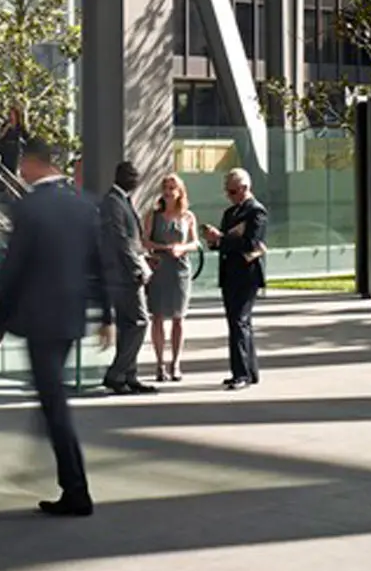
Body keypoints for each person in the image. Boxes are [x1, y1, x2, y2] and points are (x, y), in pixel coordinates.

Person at [0, 136, 107, 516]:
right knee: (51, 394)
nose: (20, 170)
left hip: (39, 318)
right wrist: (105, 315)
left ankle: (76, 489)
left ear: (32, 162)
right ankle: (50, 462)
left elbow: (14, 268)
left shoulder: (29, 208)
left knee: (54, 402)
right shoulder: (84, 204)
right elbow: (98, 263)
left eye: (23, 163)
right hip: (70, 316)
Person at [202, 168, 268, 391]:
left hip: (246, 274)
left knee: (240, 321)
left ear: (244, 188)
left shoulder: (256, 212)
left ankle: (242, 373)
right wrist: (215, 240)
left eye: (232, 191)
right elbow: (225, 241)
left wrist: (222, 240)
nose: (229, 195)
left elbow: (251, 243)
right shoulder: (231, 212)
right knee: (237, 323)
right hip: (230, 273)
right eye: (227, 191)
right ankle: (248, 370)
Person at [96, 160, 153, 395]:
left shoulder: (123, 201)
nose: (136, 179)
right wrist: (136, 268)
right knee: (140, 322)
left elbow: (131, 238)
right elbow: (120, 240)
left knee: (129, 325)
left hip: (128, 269)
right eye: (132, 175)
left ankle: (129, 375)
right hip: (122, 274)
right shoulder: (112, 202)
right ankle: (116, 373)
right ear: (120, 177)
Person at [142, 174, 198, 384]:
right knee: (157, 316)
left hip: (180, 270)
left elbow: (195, 243)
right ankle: (159, 364)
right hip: (159, 268)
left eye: (172, 187)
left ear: (180, 191)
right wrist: (165, 248)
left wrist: (182, 247)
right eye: (165, 187)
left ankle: (175, 363)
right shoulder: (153, 215)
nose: (168, 191)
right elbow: (145, 241)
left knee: (178, 317)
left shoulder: (187, 217)